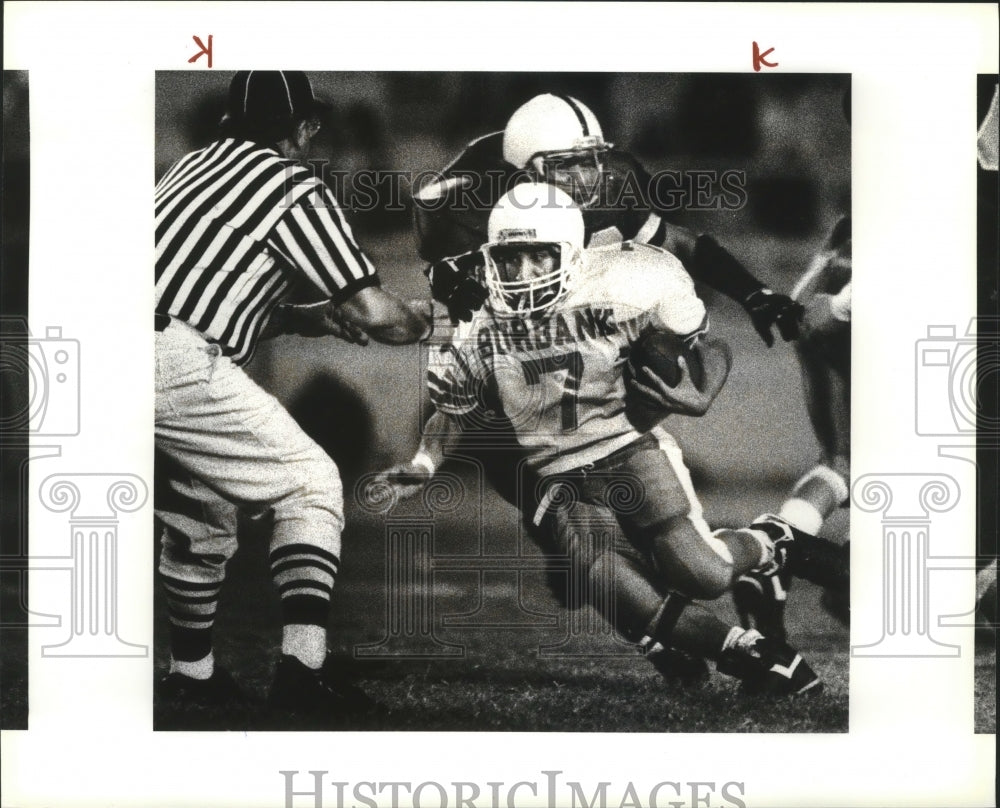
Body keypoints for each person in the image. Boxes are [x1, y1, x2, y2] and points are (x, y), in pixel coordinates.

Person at [377, 182, 822, 696]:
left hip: (627, 446)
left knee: (705, 575)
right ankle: (750, 653)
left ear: (570, 251)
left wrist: (701, 396)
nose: (522, 275)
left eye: (538, 257)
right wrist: (425, 463)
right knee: (614, 587)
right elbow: (451, 411)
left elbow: (711, 347)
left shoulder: (628, 279)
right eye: (510, 258)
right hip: (558, 474)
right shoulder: (476, 318)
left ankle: (771, 538)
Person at [154, 70, 430, 722]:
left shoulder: (188, 170)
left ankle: (192, 675)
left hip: (112, 354)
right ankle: (303, 672)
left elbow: (188, 293)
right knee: (309, 482)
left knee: (202, 509)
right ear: (302, 128)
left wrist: (301, 317)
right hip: (174, 363)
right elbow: (374, 310)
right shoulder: (293, 183)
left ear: (229, 121)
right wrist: (427, 321)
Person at [415, 92, 803, 347]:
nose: (587, 178)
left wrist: (753, 292)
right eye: (567, 166)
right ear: (522, 174)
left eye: (592, 161)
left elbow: (680, 243)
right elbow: (441, 265)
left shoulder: (616, 180)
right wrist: (448, 278)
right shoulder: (475, 195)